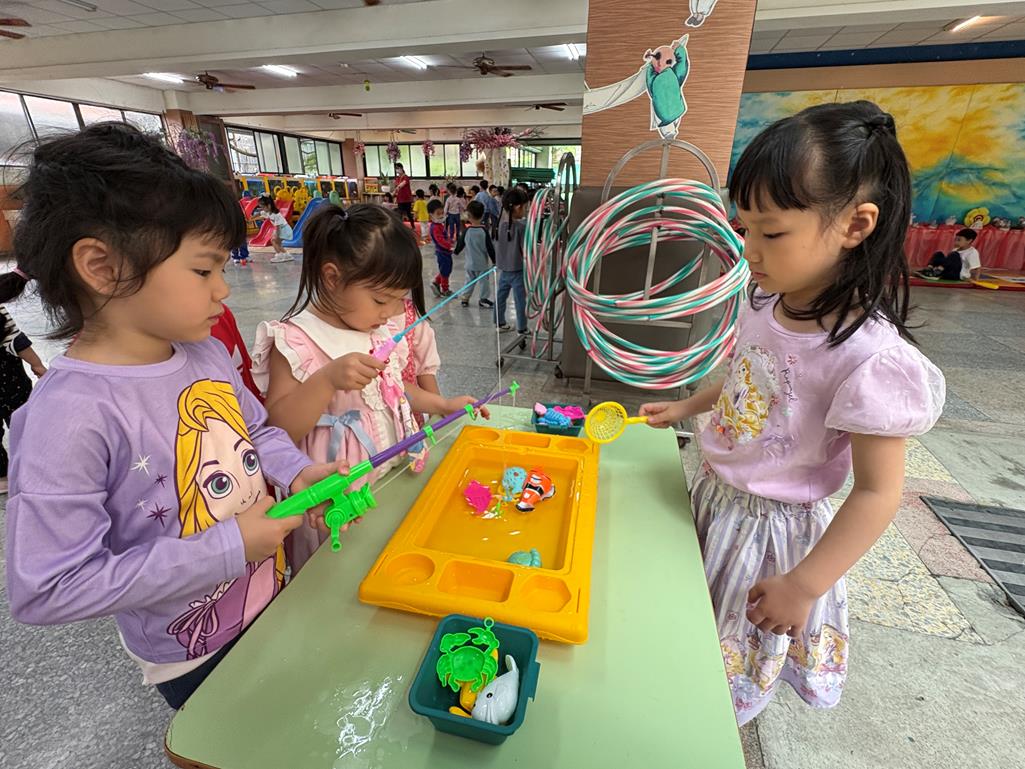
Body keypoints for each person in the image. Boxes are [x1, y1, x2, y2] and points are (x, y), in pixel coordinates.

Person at [2, 122, 342, 710]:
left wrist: (296, 472)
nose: (223, 291)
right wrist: (228, 547)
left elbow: (255, 431)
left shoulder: (203, 354)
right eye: (204, 270)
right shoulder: (69, 415)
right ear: (103, 267)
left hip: (271, 593)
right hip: (195, 653)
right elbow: (48, 587)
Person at [640, 101, 945, 725]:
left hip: (770, 540)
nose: (748, 249)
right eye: (744, 228)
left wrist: (804, 585)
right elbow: (746, 377)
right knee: (681, 641)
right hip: (712, 499)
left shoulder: (868, 358)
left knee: (720, 670)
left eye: (771, 233)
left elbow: (879, 493)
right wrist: (687, 404)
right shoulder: (764, 302)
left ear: (855, 225)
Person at [251, 203, 487, 570]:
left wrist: (442, 405)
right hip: (335, 496)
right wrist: (327, 380)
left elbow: (393, 388)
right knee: (338, 572)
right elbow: (278, 429)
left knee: (384, 560)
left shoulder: (375, 328)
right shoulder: (295, 340)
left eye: (398, 300)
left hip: (387, 475)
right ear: (332, 277)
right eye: (380, 299)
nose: (390, 312)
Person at [0, 303, 46, 495]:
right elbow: (16, 341)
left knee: (26, 425)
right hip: (12, 383)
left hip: (11, 383)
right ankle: (31, 469)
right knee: (26, 425)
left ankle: (11, 474)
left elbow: (16, 340)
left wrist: (37, 365)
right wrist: (38, 366)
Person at [494, 187, 529, 333]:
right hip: (518, 270)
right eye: (525, 207)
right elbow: (527, 249)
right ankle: (522, 328)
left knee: (500, 297)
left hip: (503, 269)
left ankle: (499, 323)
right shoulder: (522, 227)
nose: (526, 210)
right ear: (518, 207)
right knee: (520, 300)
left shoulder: (499, 225)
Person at [455, 200, 495, 308]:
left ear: (468, 216)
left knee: (469, 281)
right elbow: (490, 248)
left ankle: (465, 298)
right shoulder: (484, 231)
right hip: (482, 264)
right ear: (482, 216)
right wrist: (494, 260)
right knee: (484, 283)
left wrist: (456, 251)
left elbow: (460, 244)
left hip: (469, 264)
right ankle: (483, 299)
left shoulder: (466, 231)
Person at [255, 194, 293, 263]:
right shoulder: (268, 212)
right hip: (283, 229)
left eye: (263, 207)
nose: (262, 209)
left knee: (273, 241)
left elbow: (278, 226)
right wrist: (251, 218)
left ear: (269, 206)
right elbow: (259, 213)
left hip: (284, 229)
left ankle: (279, 256)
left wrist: (277, 235)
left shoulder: (276, 214)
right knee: (278, 243)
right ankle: (287, 255)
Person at [428, 198, 454, 297]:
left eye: (442, 213)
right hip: (442, 252)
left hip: (445, 252)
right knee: (445, 271)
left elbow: (444, 236)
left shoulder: (439, 225)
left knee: (446, 269)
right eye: (438, 214)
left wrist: (450, 241)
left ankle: (436, 282)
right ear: (431, 215)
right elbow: (440, 240)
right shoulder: (435, 227)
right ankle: (445, 289)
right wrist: (448, 246)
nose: (441, 215)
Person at [392, 161, 415, 230]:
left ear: (401, 168)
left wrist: (395, 190)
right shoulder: (397, 178)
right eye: (396, 168)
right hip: (400, 199)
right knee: (400, 214)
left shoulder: (406, 177)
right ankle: (400, 228)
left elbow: (401, 185)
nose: (397, 170)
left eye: (398, 168)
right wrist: (395, 195)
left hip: (407, 198)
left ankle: (413, 226)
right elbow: (396, 187)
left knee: (408, 213)